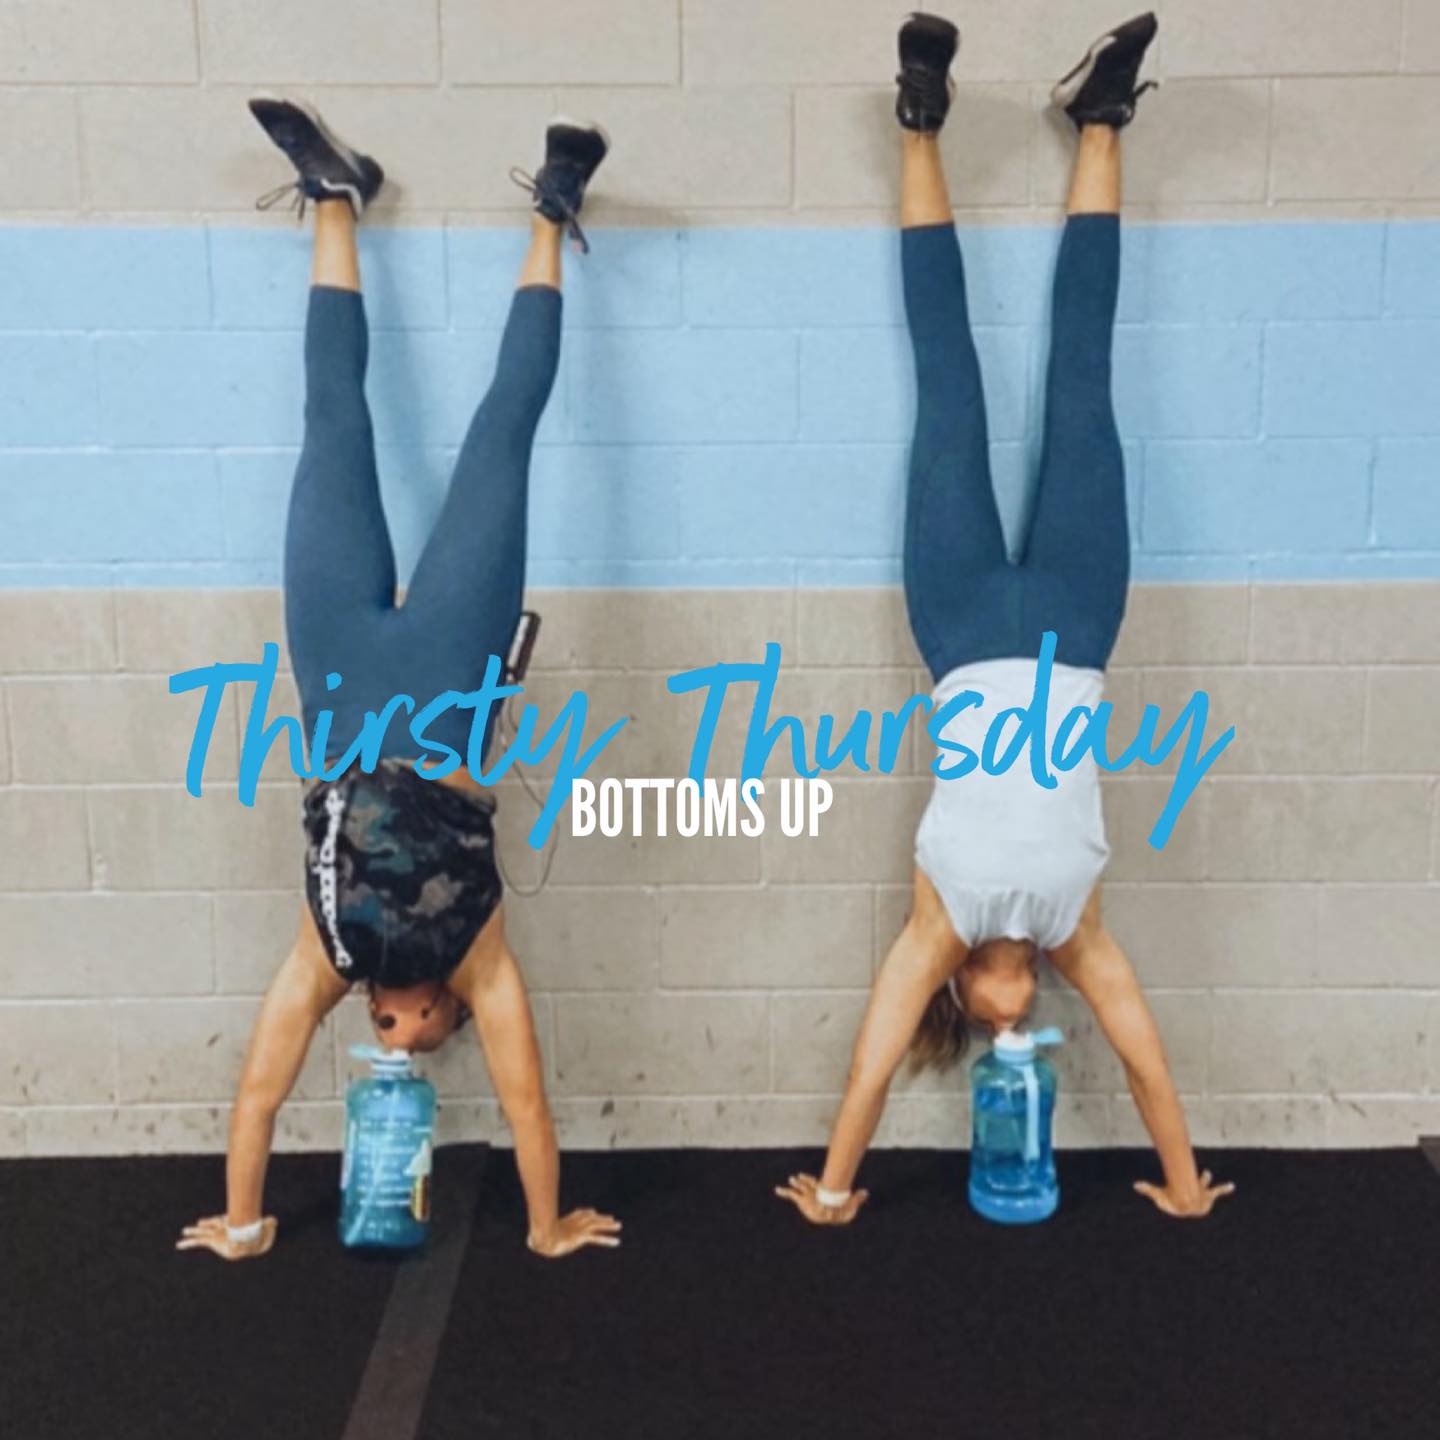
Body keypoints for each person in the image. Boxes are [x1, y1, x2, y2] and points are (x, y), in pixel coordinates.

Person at [777, 13, 1235, 1226]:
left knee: (950, 382)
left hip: (962, 616)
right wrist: (1185, 1183)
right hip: (1080, 620)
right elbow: (1141, 1049)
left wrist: (835, 1186)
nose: (1021, 1010)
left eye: (997, 1018)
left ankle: (920, 120)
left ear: (961, 1000)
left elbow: (873, 1062)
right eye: (1023, 1014)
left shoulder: (936, 925)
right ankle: (1103, 121)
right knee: (1083, 377)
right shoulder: (1079, 928)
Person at [178, 99, 621, 1261]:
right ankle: (552, 214)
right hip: (450, 677)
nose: (386, 1031)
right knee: (504, 434)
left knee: (332, 426)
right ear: (446, 1015)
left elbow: (261, 1090)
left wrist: (243, 1221)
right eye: (406, 1033)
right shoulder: (480, 953)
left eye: (375, 1029)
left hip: (334, 676)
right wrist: (545, 1226)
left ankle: (336, 200)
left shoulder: (326, 952)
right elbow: (526, 1107)